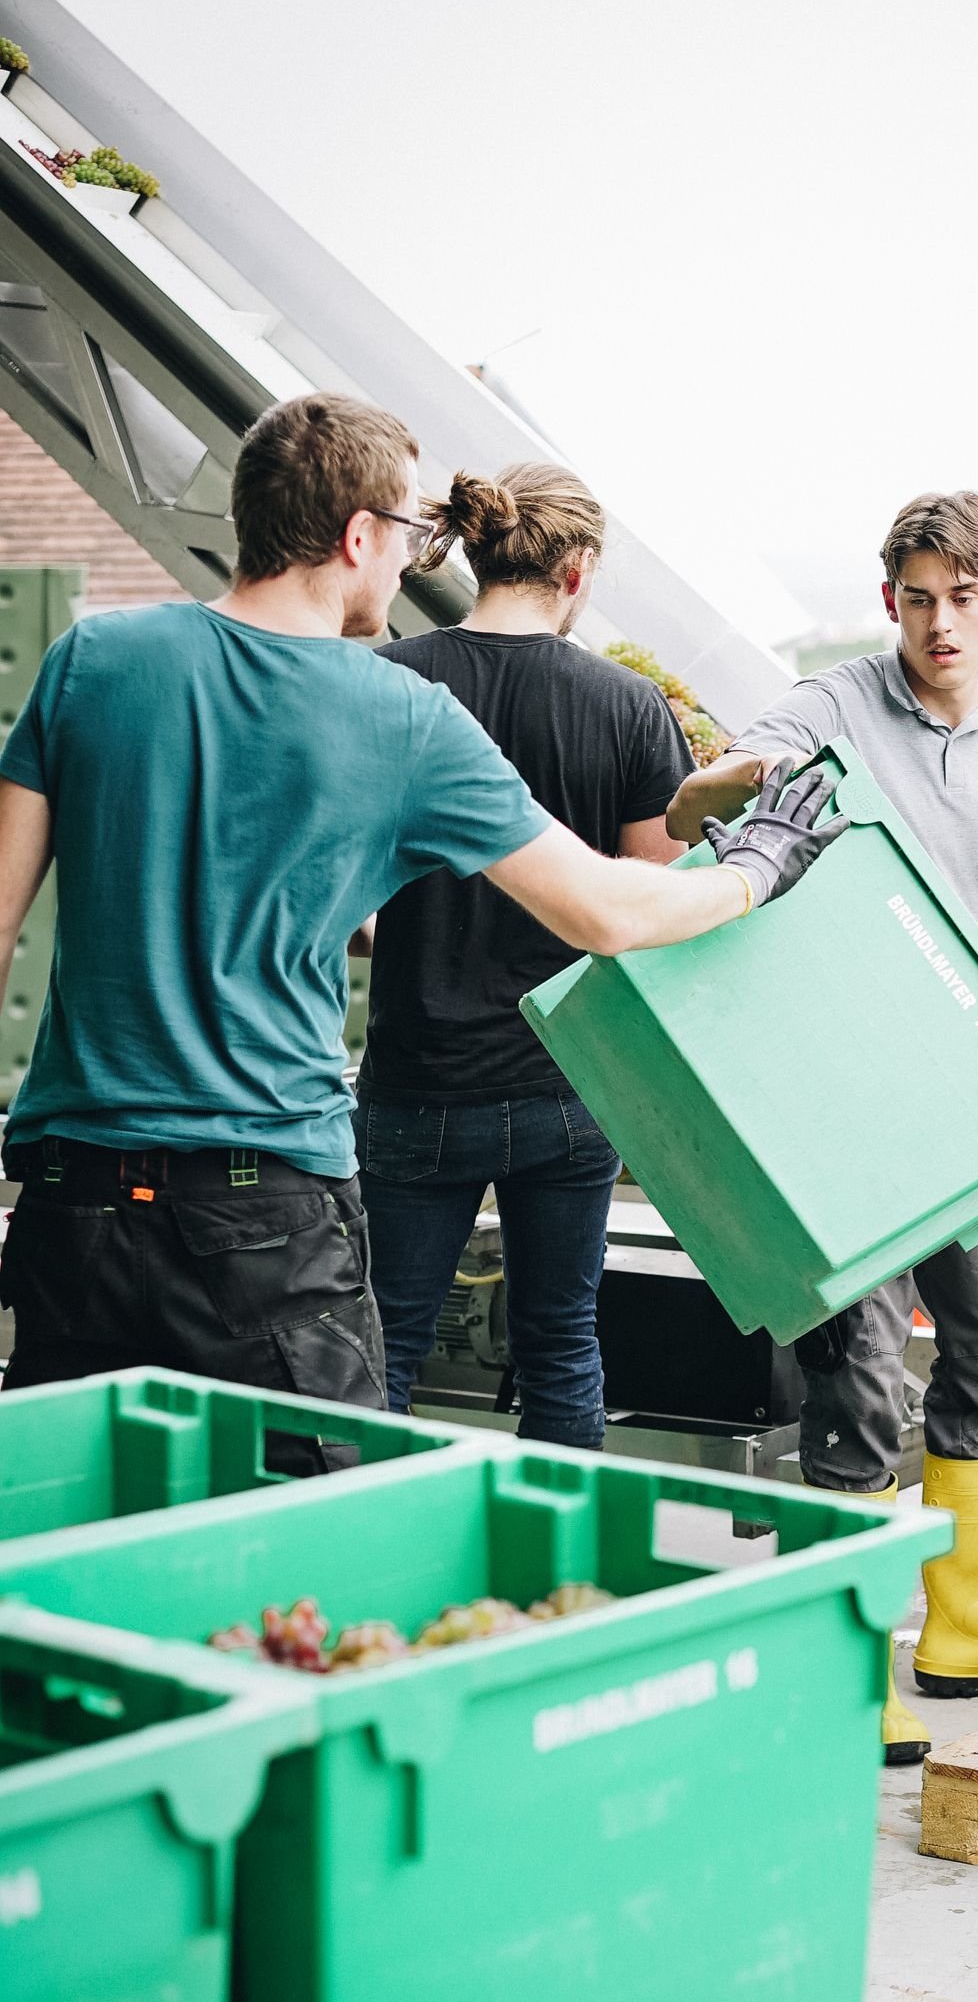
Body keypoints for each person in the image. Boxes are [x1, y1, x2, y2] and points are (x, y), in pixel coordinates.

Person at [0, 394, 840, 1410]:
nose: (410, 562)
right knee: (315, 1531)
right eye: (404, 533)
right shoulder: (401, 718)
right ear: (357, 536)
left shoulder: (92, 658)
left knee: (66, 1518)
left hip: (67, 1192)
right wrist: (759, 863)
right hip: (262, 1200)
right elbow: (609, 912)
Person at [671, 489, 978, 1762]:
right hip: (836, 1095)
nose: (938, 624)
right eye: (916, 599)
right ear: (890, 603)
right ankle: (845, 1662)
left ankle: (971, 1625)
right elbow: (707, 798)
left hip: (973, 1097)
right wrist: (747, 781)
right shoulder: (831, 701)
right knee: (858, 1372)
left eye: (962, 599)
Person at [352, 463, 691, 1446]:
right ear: (576, 571)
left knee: (390, 1345)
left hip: (419, 1084)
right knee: (560, 1341)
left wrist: (420, 933)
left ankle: (377, 1575)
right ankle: (564, 1586)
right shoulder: (629, 707)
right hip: (570, 1088)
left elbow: (342, 895)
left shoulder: (395, 682)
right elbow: (650, 905)